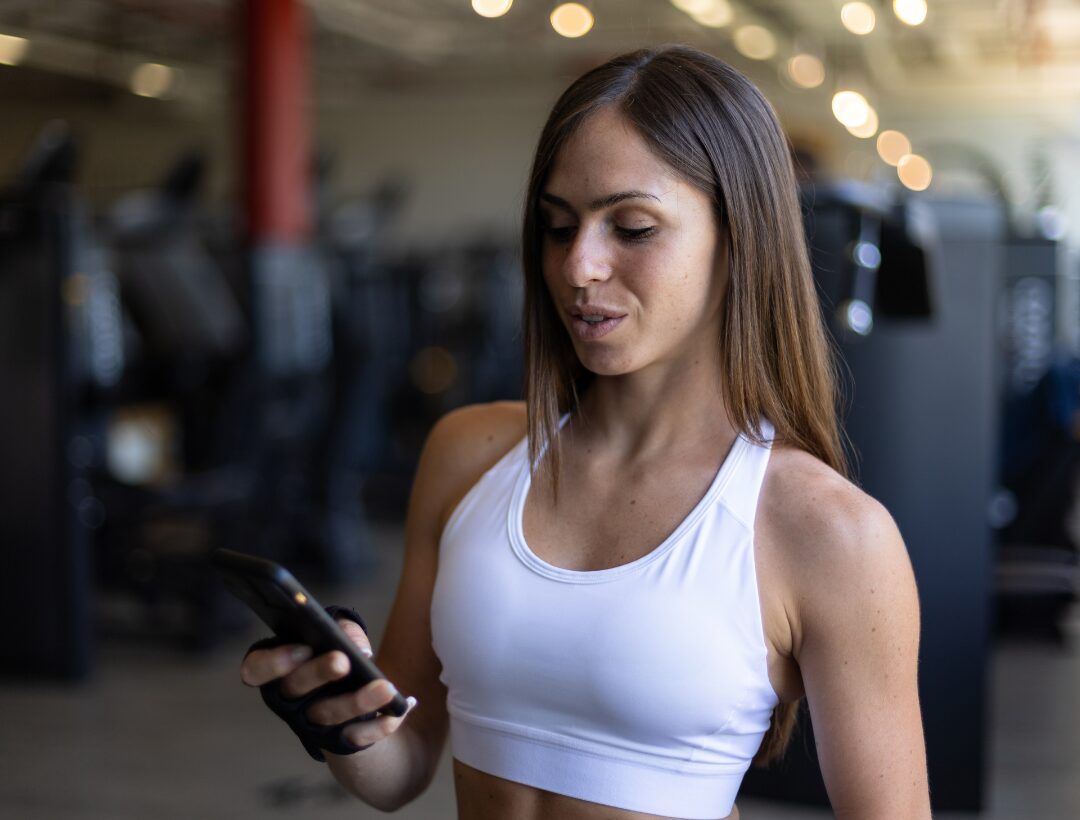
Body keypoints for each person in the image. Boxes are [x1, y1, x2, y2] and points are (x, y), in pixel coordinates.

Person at [240, 45, 930, 820]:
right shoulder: (470, 456)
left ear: (740, 241)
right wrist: (339, 715)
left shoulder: (829, 533)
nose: (578, 266)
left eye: (632, 228)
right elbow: (401, 768)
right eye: (558, 227)